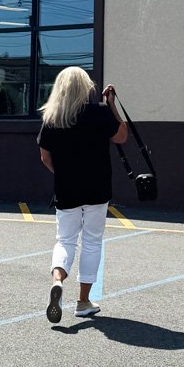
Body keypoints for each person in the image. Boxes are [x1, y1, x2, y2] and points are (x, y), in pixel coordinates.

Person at [37, 67, 128, 324]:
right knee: (91, 241)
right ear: (85, 87)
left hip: (66, 188)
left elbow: (45, 156)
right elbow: (122, 136)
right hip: (98, 187)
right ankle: (83, 301)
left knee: (65, 240)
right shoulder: (98, 112)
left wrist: (63, 172)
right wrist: (111, 105)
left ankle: (57, 281)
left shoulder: (52, 117)